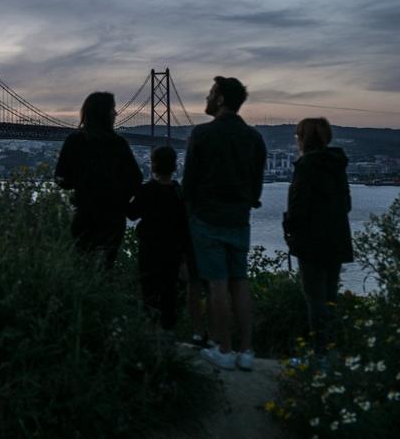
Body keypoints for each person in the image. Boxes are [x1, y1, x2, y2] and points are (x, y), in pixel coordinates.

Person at [182, 76, 266, 371]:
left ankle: (224, 350)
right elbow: (257, 184)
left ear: (219, 100)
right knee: (240, 283)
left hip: (207, 219)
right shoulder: (254, 137)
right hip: (239, 219)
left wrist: (190, 212)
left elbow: (189, 182)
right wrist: (246, 203)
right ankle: (247, 351)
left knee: (217, 286)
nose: (206, 98)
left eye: (209, 94)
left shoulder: (202, 134)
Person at [282, 117, 352, 355]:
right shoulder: (337, 164)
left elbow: (298, 207)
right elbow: (347, 204)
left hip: (311, 241)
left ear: (303, 139)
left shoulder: (305, 166)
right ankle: (334, 352)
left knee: (314, 299)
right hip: (337, 237)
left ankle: (320, 355)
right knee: (331, 297)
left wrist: (289, 226)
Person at [55, 92, 142, 270]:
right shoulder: (118, 143)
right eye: (112, 109)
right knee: (106, 267)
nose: (116, 114)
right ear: (103, 113)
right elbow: (136, 179)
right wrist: (120, 198)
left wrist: (80, 183)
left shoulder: (74, 141)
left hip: (84, 215)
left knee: (82, 267)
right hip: (113, 218)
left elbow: (62, 179)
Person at [127, 146, 189, 332]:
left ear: (153, 166)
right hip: (174, 251)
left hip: (149, 249)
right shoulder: (179, 193)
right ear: (175, 167)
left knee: (149, 290)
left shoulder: (146, 190)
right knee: (170, 291)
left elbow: (131, 214)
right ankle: (169, 332)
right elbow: (186, 226)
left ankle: (150, 331)